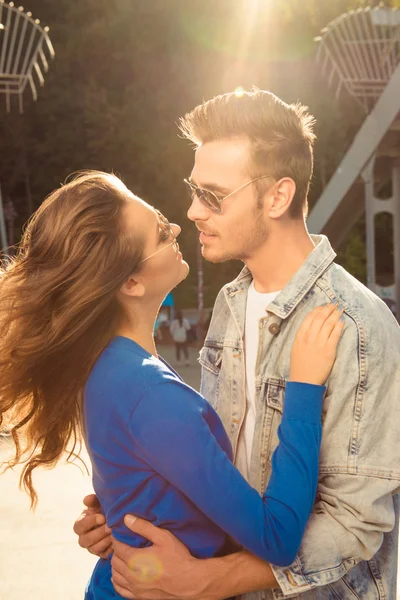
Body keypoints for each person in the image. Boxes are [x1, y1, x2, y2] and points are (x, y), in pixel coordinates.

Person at [75, 90, 400, 600]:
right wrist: (132, 513)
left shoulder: (358, 327)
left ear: (277, 197)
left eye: (213, 195)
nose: (191, 210)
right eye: (193, 189)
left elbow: (356, 523)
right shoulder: (229, 304)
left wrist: (212, 579)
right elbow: (220, 470)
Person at [0, 171, 344, 599]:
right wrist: (305, 387)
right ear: (131, 283)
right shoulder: (152, 394)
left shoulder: (103, 368)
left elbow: (144, 478)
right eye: (162, 232)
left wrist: (119, 514)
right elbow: (277, 538)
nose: (178, 227)